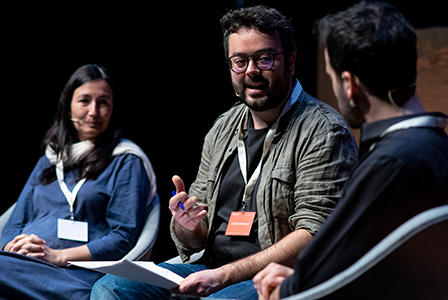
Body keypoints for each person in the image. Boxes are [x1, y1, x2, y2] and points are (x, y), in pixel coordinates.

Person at [91, 5, 358, 300]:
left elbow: (315, 233)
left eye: (264, 59)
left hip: (274, 278)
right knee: (110, 287)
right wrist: (187, 225)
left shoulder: (323, 129)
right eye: (240, 61)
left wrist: (224, 276)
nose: (251, 71)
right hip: (209, 266)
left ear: (291, 61)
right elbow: (197, 234)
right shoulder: (223, 127)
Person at [253, 2, 448, 299]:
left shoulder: (389, 163)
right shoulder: (435, 147)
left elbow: (324, 276)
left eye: (332, 77)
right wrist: (299, 277)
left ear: (349, 84)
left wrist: (288, 288)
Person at [0, 64, 157, 300]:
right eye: (84, 100)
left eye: (103, 102)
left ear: (113, 109)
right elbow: (13, 223)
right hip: (21, 265)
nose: (94, 111)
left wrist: (58, 256)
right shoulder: (51, 159)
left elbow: (123, 237)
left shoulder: (126, 161)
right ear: (67, 107)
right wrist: (14, 247)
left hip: (74, 274)